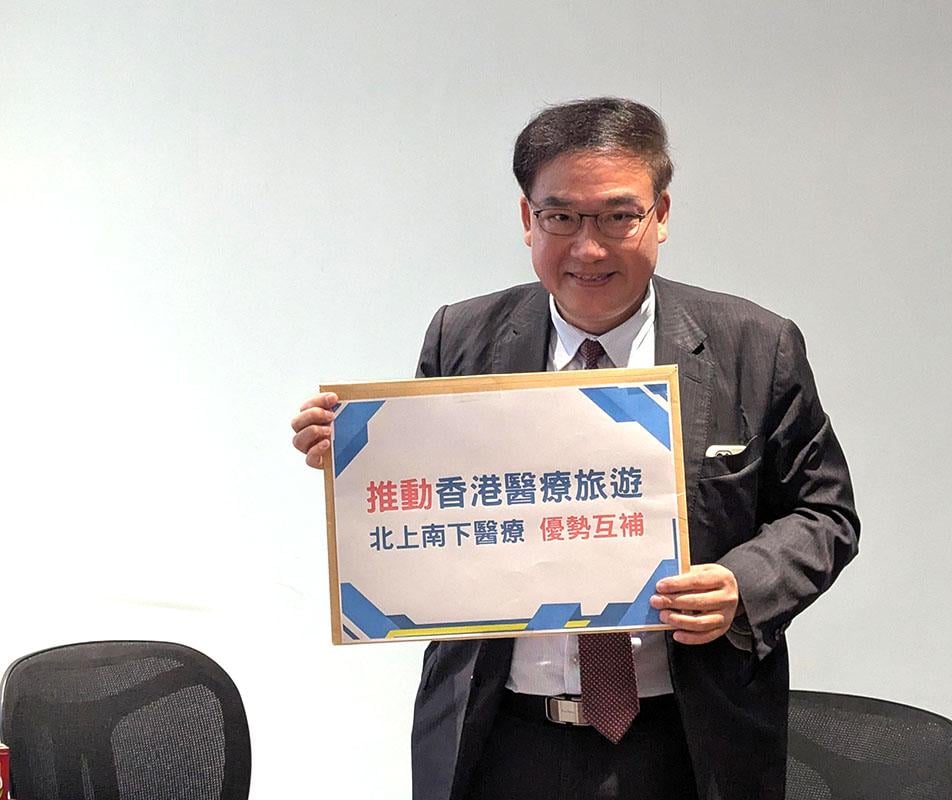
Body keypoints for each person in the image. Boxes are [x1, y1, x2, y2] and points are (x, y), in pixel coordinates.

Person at [290, 97, 860, 800]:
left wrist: (742, 585)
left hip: (686, 740)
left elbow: (824, 513)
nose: (589, 249)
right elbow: (439, 501)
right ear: (527, 219)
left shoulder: (756, 345)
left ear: (661, 214)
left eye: (618, 217)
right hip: (499, 737)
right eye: (561, 217)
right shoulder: (460, 337)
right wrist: (356, 457)